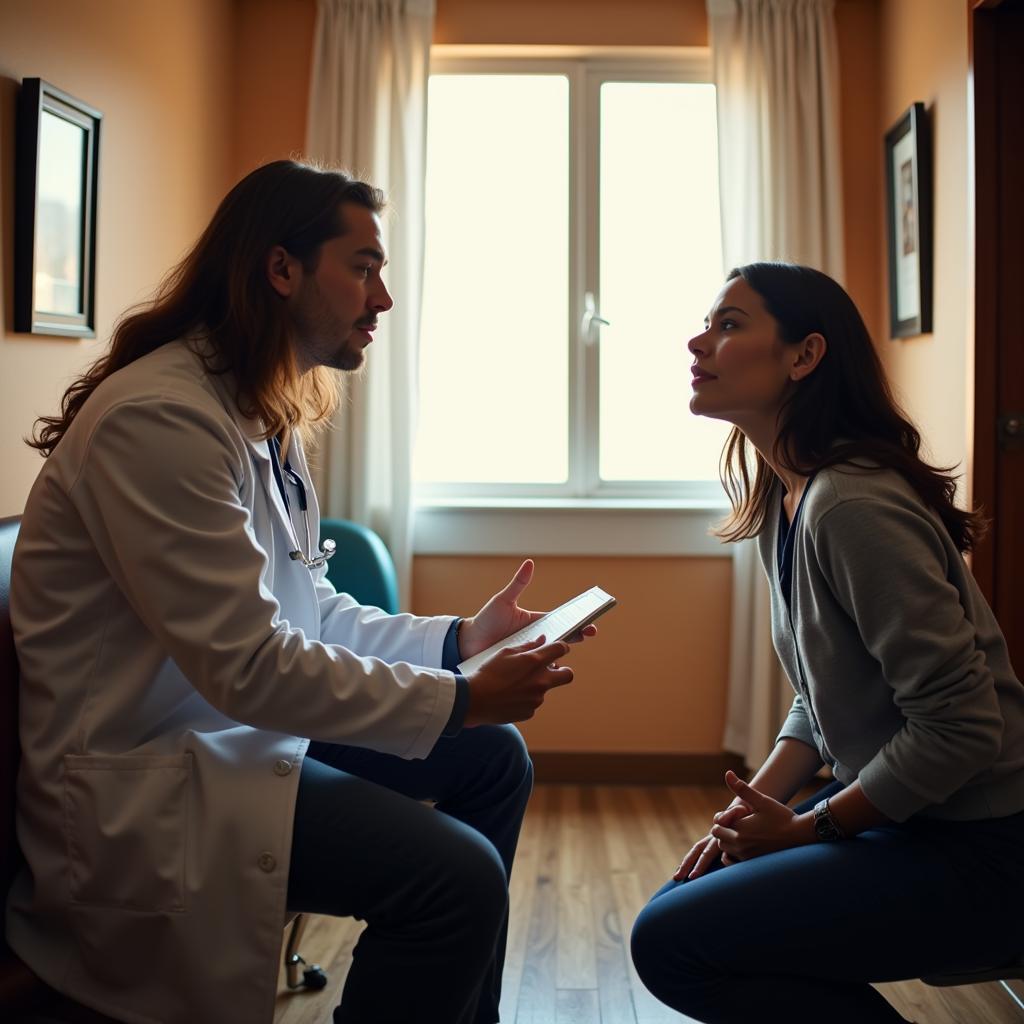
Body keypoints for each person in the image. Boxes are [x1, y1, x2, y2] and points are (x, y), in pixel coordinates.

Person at [8, 159, 592, 1024]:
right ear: (281, 270)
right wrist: (460, 697)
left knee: (492, 757)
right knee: (456, 880)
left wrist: (457, 642)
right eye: (363, 268)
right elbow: (248, 664)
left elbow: (306, 611)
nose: (383, 298)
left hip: (235, 736)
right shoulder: (161, 421)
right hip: (153, 773)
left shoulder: (255, 413)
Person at [629, 262, 1024, 1023]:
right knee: (682, 905)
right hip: (915, 820)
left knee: (673, 942)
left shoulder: (851, 504)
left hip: (982, 847)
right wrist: (755, 808)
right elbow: (819, 694)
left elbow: (963, 725)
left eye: (729, 324)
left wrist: (813, 826)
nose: (697, 341)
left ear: (804, 356)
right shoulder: (788, 494)